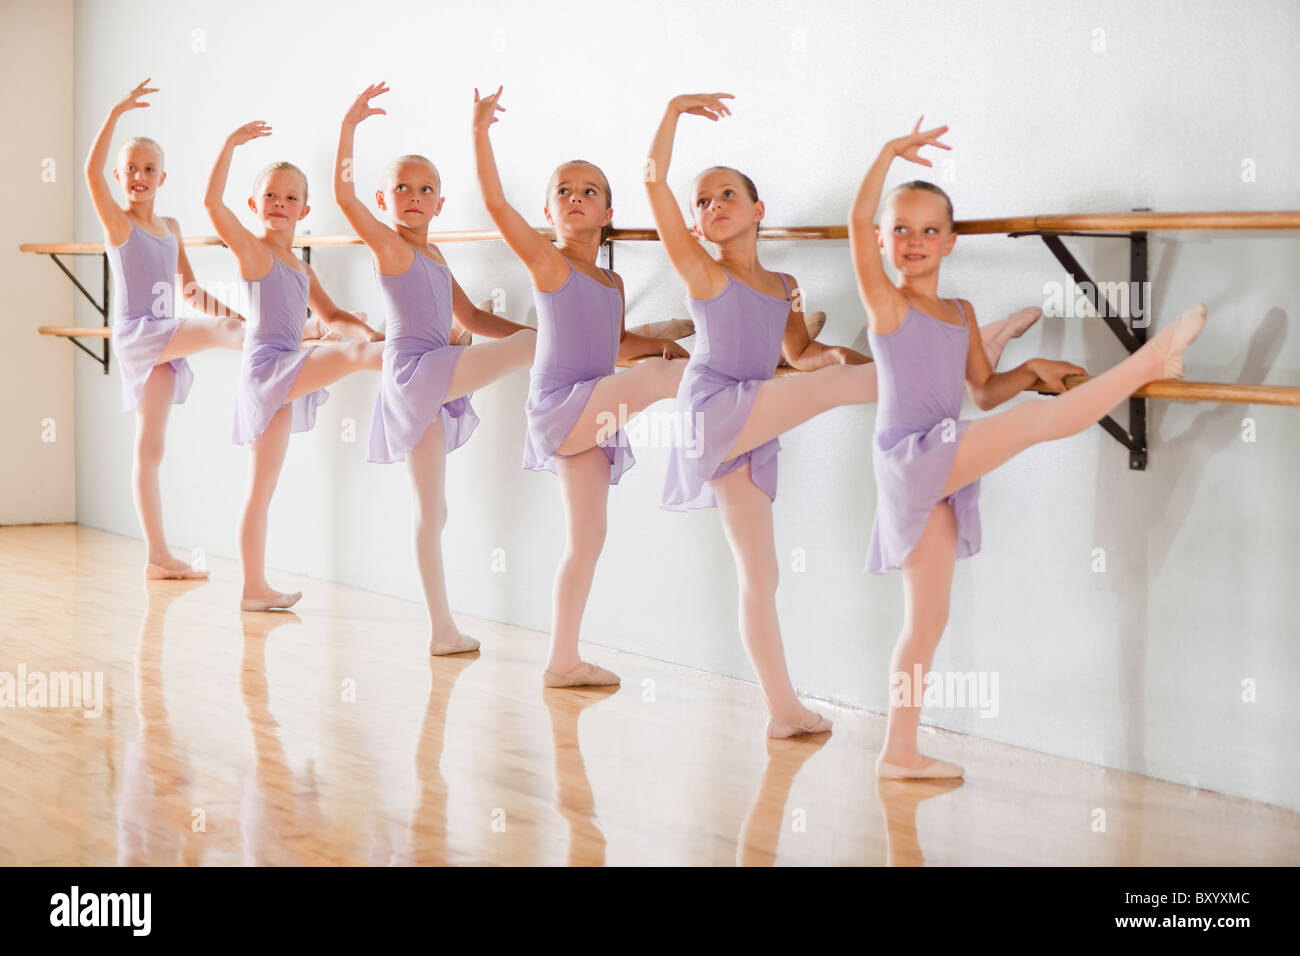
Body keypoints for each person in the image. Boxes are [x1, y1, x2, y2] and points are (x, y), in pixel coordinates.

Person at [849, 118, 1207, 778]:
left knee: (926, 620)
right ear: (881, 241)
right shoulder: (888, 307)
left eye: (930, 229)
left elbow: (983, 393)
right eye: (900, 229)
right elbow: (855, 226)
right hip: (911, 456)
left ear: (951, 241)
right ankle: (1152, 361)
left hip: (946, 457)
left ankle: (898, 752)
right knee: (1042, 427)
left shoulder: (957, 313)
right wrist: (885, 154)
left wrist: (1028, 368)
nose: (915, 241)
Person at [473, 85, 688, 687]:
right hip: (560, 411)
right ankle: (728, 382)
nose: (574, 197)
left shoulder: (612, 284)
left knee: (588, 540)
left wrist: (664, 345)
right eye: (563, 190)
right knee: (659, 381)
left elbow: (618, 346)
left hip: (594, 416)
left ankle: (562, 660)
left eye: (588, 190)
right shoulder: (551, 263)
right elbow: (495, 205)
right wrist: (481, 131)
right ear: (549, 212)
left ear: (607, 213)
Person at [336, 82, 536, 655]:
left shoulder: (436, 254)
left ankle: (442, 631)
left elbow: (470, 314)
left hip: (429, 370)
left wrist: (530, 334)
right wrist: (351, 125)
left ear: (441, 204)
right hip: (414, 371)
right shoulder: (391, 248)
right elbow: (344, 198)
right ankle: (579, 370)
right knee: (527, 352)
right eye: (402, 187)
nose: (414, 196)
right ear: (385, 200)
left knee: (433, 509)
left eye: (426, 189)